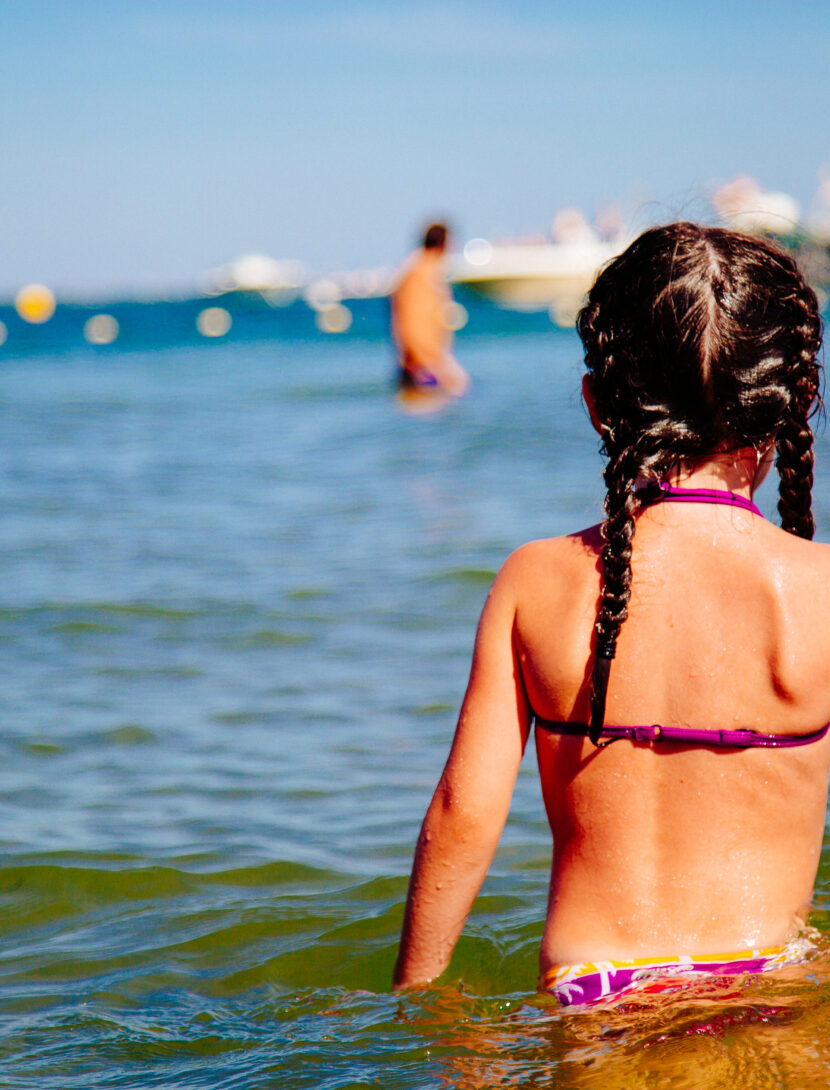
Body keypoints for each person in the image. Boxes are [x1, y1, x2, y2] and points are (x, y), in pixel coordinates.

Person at [393, 221, 830, 1006]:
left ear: (599, 404)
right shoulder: (822, 590)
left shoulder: (535, 581)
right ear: (789, 410)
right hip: (775, 991)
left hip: (595, 997)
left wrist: (412, 1002)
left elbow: (463, 813)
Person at [390, 222, 470, 402]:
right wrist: (438, 365)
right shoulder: (420, 276)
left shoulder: (420, 272)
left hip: (424, 363)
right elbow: (412, 325)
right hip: (423, 366)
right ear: (443, 244)